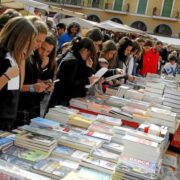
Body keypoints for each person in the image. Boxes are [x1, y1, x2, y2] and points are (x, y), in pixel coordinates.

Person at [0, 17, 38, 130]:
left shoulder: (15, 56)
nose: (33, 44)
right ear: (20, 38)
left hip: (8, 119)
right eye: (30, 40)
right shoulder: (2, 55)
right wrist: (7, 76)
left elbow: (18, 87)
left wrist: (22, 59)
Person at [17, 16, 49, 125]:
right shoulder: (20, 56)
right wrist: (33, 87)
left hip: (27, 107)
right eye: (38, 41)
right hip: (18, 109)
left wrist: (41, 84)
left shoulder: (32, 55)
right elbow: (16, 87)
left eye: (42, 41)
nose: (39, 45)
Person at [50, 37, 96, 107]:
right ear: (85, 50)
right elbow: (68, 84)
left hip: (62, 98)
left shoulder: (74, 57)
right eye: (90, 54)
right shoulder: (72, 61)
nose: (89, 57)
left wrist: (88, 68)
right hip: (62, 100)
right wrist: (87, 80)